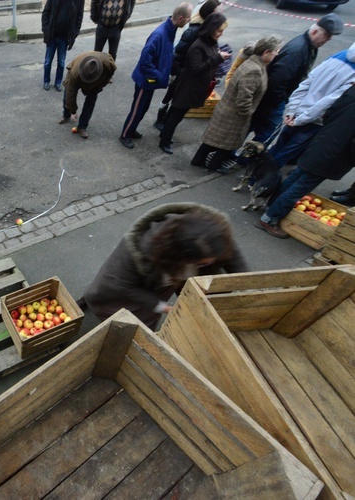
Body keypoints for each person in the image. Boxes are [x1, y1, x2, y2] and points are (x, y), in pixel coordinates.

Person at [80, 203, 249, 330]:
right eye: (204, 262)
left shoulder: (212, 234)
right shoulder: (139, 253)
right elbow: (125, 286)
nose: (210, 264)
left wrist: (248, 283)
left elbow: (233, 258)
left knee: (148, 315)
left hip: (164, 280)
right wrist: (164, 307)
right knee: (128, 315)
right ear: (179, 257)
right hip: (135, 285)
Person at [256, 85, 355, 239]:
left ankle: (270, 206)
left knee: (295, 177)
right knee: (300, 187)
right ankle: (269, 219)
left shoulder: (352, 89)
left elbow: (330, 111)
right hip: (336, 154)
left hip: (323, 141)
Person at [191, 36, 282, 173]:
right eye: (275, 51)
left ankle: (198, 160)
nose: (277, 54)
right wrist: (247, 114)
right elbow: (244, 98)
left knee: (213, 139)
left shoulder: (252, 63)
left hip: (228, 110)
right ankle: (214, 166)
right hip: (234, 115)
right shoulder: (254, 70)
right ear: (266, 52)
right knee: (226, 144)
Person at [249, 13, 343, 144]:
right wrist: (280, 101)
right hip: (272, 103)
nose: (328, 40)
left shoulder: (309, 46)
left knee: (254, 127)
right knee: (265, 133)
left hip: (271, 101)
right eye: (326, 36)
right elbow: (277, 81)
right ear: (315, 31)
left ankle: (233, 156)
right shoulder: (298, 51)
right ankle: (244, 161)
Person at [267, 42, 355, 169]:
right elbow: (327, 103)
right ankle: (266, 181)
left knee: (278, 146)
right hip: (314, 121)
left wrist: (292, 110)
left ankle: (254, 177)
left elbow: (306, 83)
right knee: (286, 153)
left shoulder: (339, 55)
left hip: (297, 113)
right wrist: (301, 120)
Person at [119, 2, 193, 150]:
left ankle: (131, 130)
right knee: (137, 109)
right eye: (188, 18)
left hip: (150, 81)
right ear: (180, 18)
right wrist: (158, 76)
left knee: (143, 108)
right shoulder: (160, 34)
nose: (189, 20)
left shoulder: (170, 31)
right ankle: (125, 134)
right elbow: (144, 60)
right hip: (145, 81)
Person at [158, 12, 230, 154]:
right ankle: (164, 141)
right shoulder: (198, 46)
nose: (221, 34)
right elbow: (195, 69)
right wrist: (218, 58)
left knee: (175, 112)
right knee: (176, 115)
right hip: (188, 87)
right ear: (211, 28)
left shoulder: (210, 42)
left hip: (193, 87)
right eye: (219, 30)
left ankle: (164, 135)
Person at [154, 0, 220, 130]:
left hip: (186, 72)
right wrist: (177, 72)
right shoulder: (194, 30)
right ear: (210, 13)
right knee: (170, 96)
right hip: (182, 72)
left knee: (174, 97)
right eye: (217, 11)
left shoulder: (204, 30)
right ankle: (160, 120)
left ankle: (165, 123)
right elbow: (178, 53)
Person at [58, 51, 117, 139]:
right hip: (76, 70)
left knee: (90, 102)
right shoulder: (75, 74)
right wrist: (73, 111)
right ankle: (66, 115)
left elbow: (112, 70)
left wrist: (105, 81)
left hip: (98, 79)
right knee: (67, 94)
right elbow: (71, 94)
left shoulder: (106, 63)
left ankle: (82, 127)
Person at [42, 0, 85, 92]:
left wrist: (75, 32)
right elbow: (46, 12)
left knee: (61, 63)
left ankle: (58, 82)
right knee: (47, 62)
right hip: (52, 36)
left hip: (64, 38)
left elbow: (79, 17)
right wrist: (46, 29)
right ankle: (46, 81)